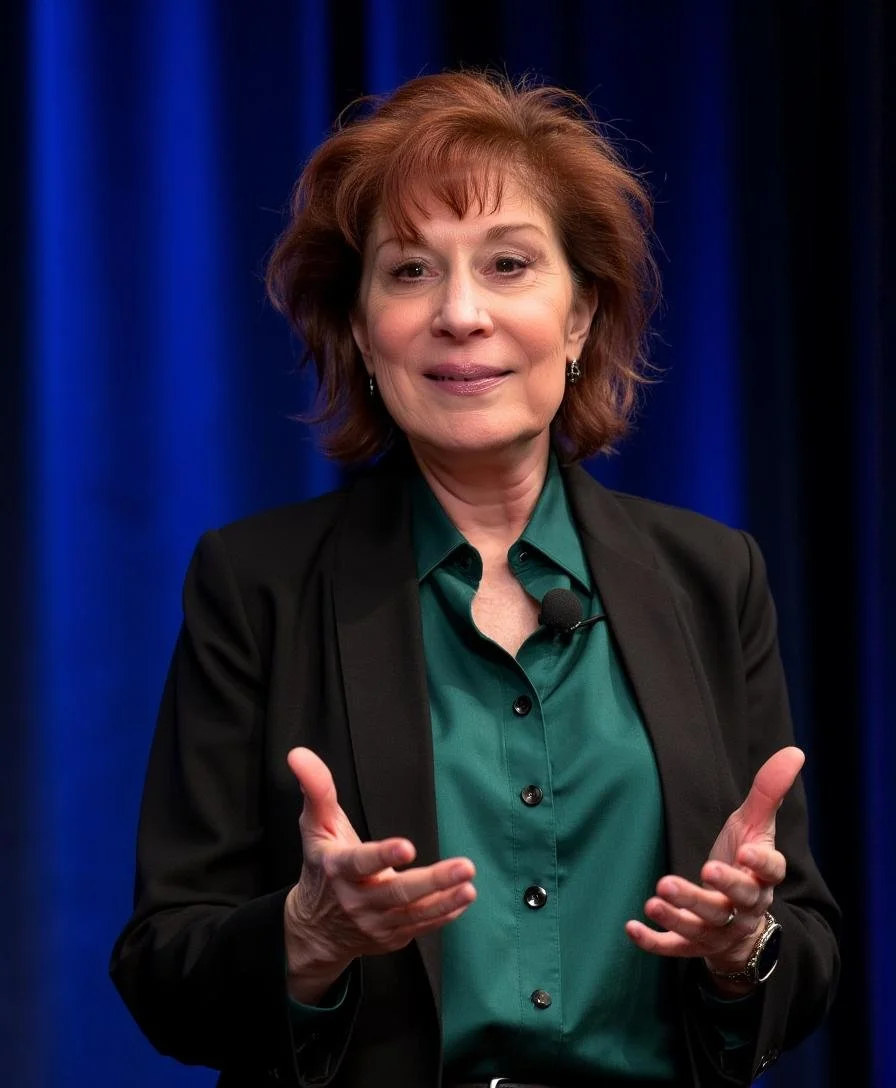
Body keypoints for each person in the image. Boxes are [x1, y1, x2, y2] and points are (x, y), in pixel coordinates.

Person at [109, 70, 840, 1088]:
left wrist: (743, 943)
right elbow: (164, 965)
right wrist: (307, 934)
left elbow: (803, 951)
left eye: (508, 264)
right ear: (360, 328)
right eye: (409, 271)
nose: (460, 313)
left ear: (580, 314)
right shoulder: (257, 583)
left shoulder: (710, 576)